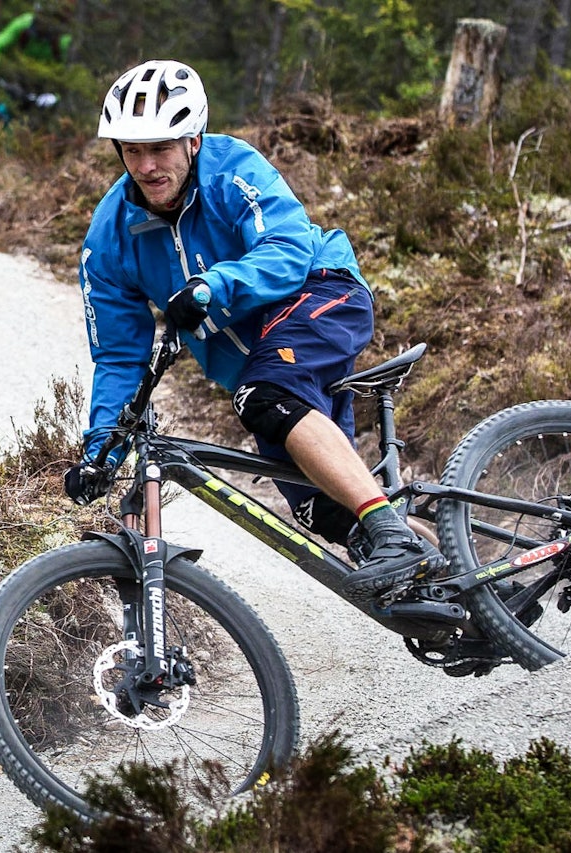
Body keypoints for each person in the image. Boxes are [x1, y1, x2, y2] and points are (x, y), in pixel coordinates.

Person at [64, 59, 446, 603]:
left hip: (320, 292)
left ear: (193, 140)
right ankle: (454, 579)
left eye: (161, 148)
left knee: (264, 396)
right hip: (258, 362)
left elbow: (287, 248)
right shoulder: (110, 236)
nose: (147, 166)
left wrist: (212, 287)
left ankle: (393, 537)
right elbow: (120, 356)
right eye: (132, 150)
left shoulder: (232, 168)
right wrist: (101, 451)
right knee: (326, 510)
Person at [0, 3, 72, 109]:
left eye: (45, 16)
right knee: (2, 109)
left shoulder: (64, 41)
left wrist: (56, 97)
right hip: (19, 80)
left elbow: (71, 76)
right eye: (39, 15)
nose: (41, 21)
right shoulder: (24, 24)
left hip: (47, 89)